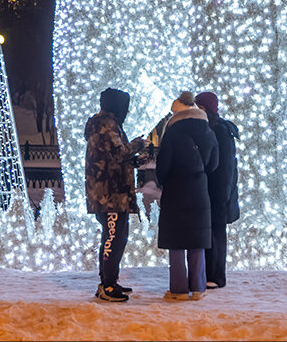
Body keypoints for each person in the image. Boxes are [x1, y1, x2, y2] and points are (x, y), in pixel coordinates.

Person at [155, 91, 218, 301]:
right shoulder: (208, 130)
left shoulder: (172, 132)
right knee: (196, 239)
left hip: (176, 191)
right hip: (199, 190)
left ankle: (179, 289)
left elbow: (162, 166)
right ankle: (199, 287)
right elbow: (213, 164)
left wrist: (163, 180)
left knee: (176, 240)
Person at [85, 87, 145, 302]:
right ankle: (107, 285)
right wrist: (138, 144)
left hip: (112, 194)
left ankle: (109, 280)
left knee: (116, 238)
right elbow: (119, 154)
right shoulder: (106, 126)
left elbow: (113, 158)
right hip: (109, 195)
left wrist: (135, 161)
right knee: (113, 238)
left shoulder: (107, 124)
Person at [195, 91, 240, 290]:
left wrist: (222, 194)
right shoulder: (213, 129)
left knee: (216, 232)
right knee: (210, 232)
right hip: (214, 190)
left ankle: (215, 275)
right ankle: (209, 273)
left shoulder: (219, 131)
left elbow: (225, 168)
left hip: (218, 192)